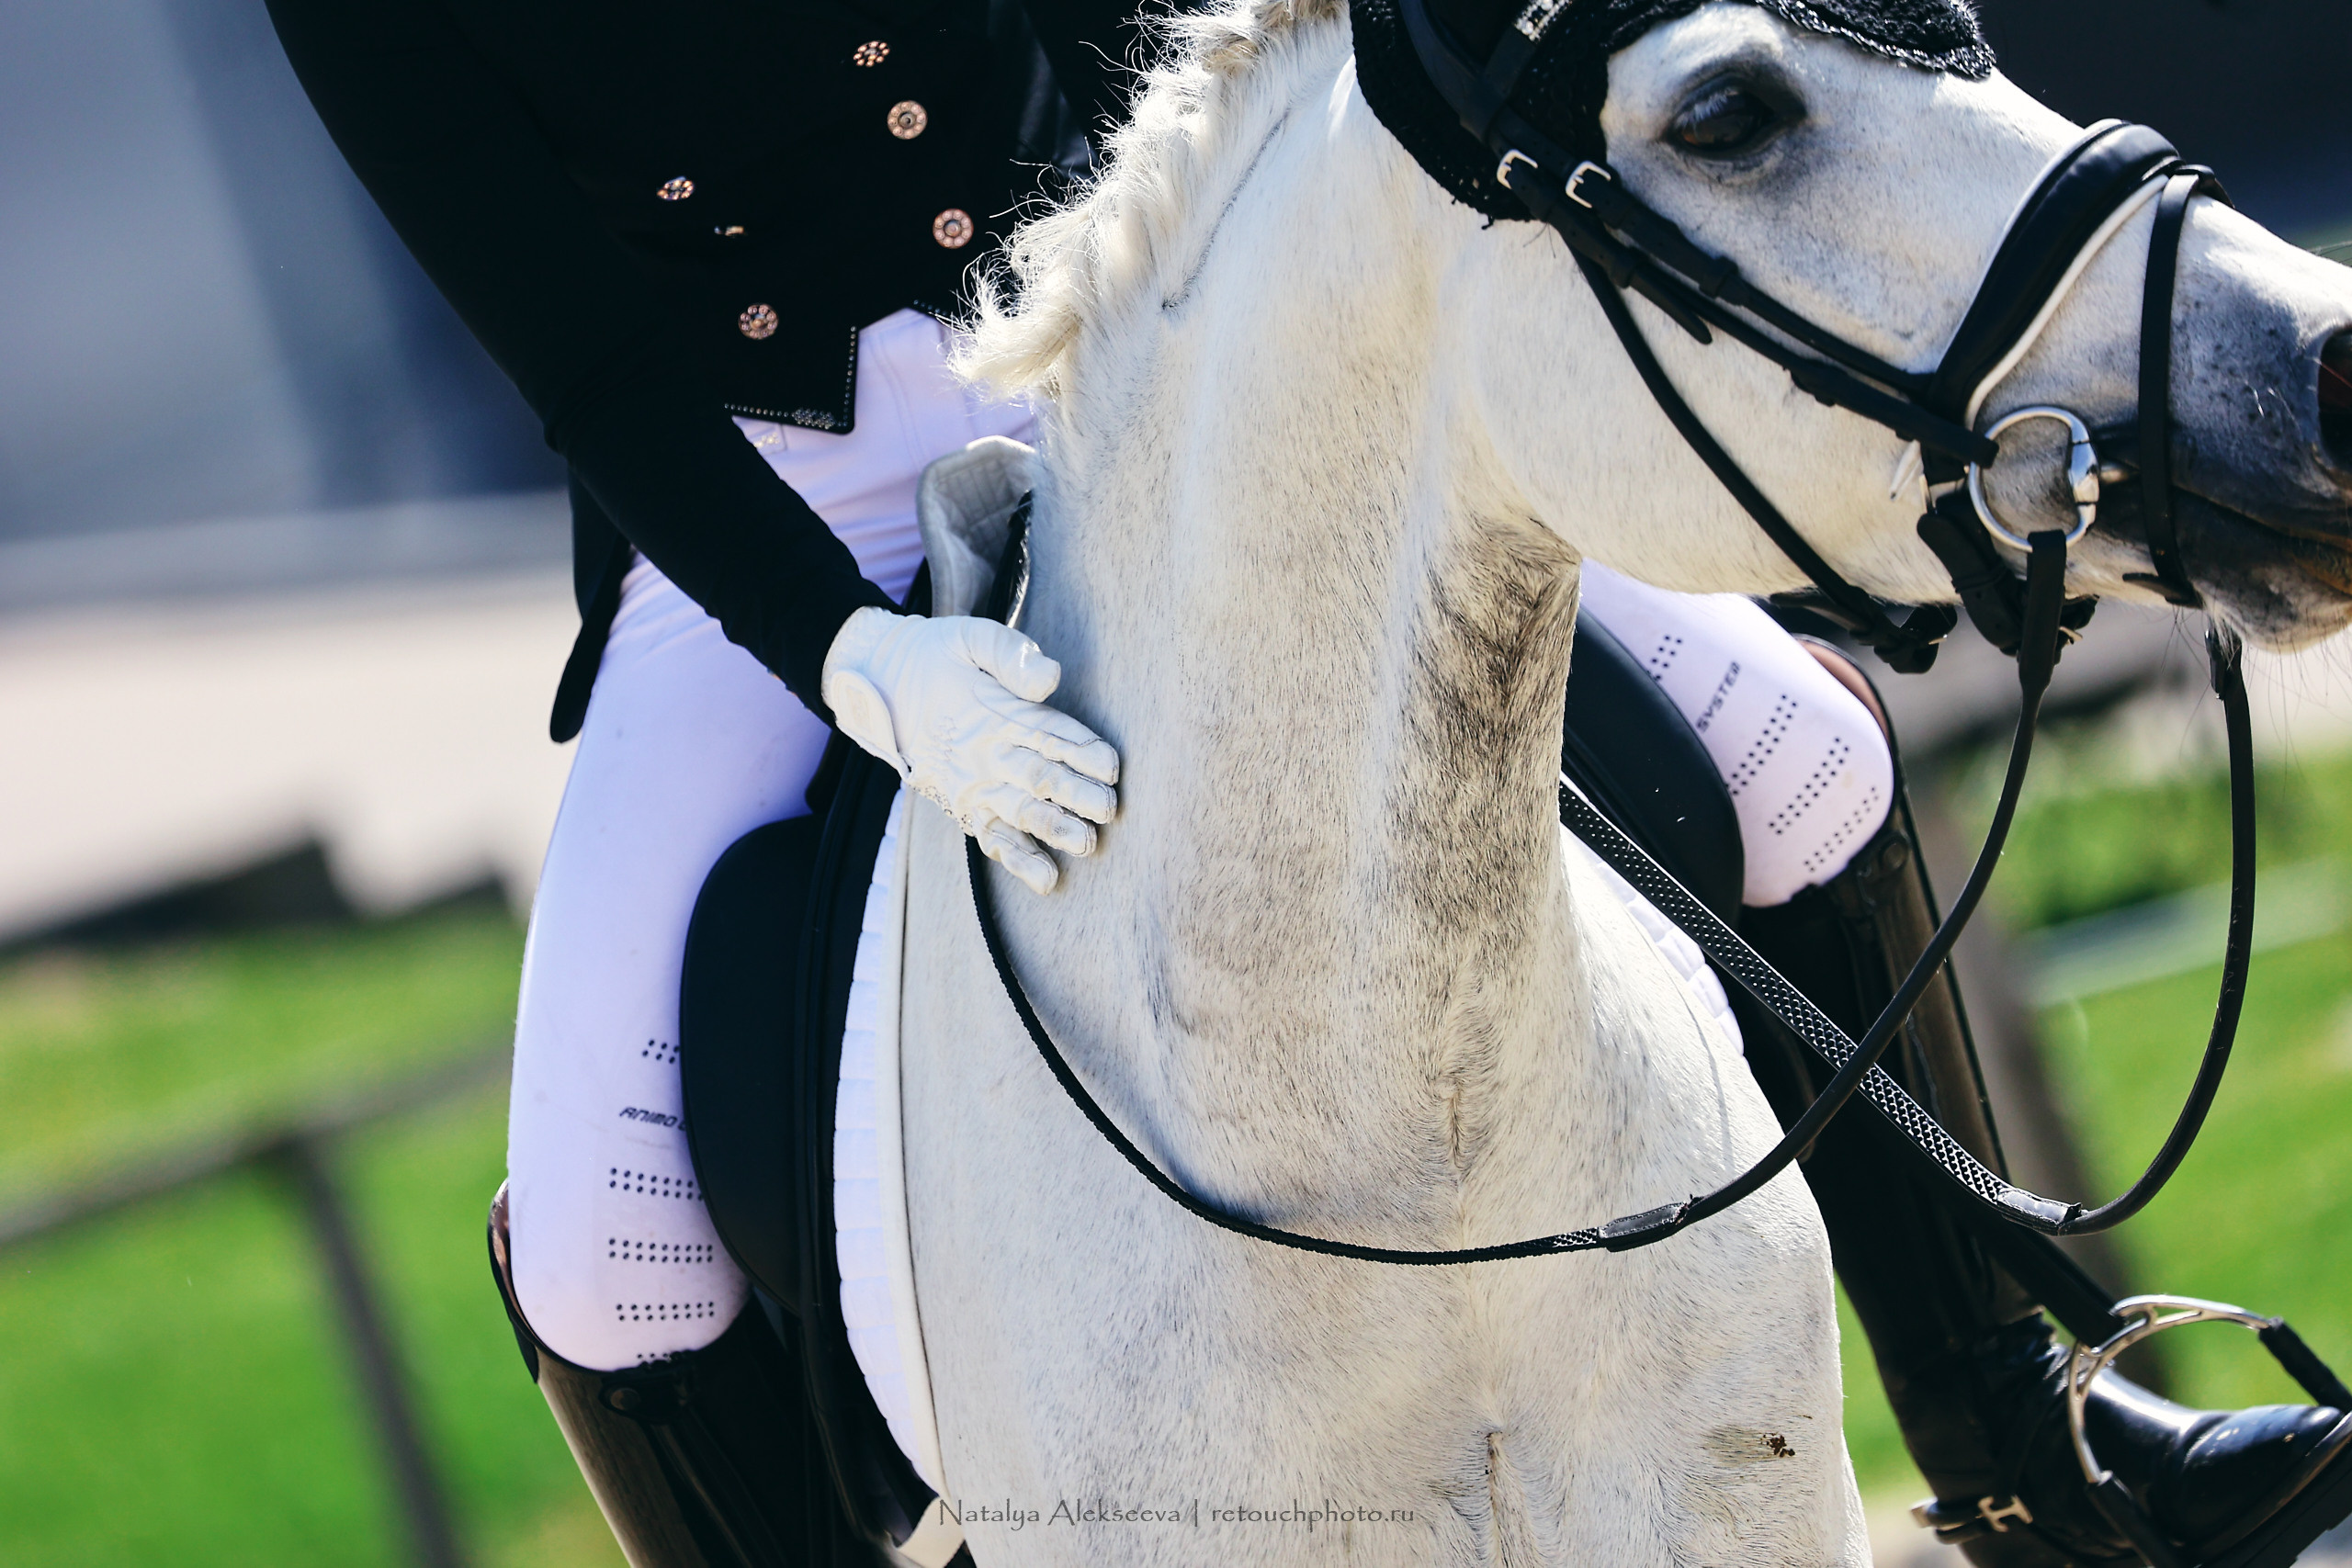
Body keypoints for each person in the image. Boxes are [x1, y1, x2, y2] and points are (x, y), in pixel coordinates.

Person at [266, 2, 2346, 1563]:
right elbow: (584, 361)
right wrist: (844, 644)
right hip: (761, 483)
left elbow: (1162, 61)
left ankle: (2034, 1440)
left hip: (1116, 346)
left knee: (1787, 751)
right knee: (612, 1248)